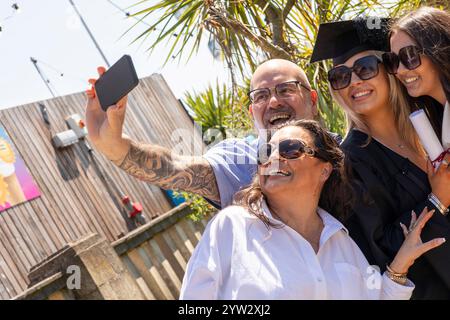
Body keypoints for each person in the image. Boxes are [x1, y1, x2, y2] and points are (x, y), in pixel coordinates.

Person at [180, 119, 444, 299]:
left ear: (325, 169)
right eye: (264, 152)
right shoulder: (232, 227)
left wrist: (399, 266)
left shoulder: (340, 239)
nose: (273, 159)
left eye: (290, 149)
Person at [310, 16, 450, 299]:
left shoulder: (433, 118)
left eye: (365, 68)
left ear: (389, 69)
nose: (354, 81)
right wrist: (437, 201)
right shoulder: (349, 165)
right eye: (340, 76)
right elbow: (378, 250)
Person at [85, 59, 323, 209]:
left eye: (286, 89)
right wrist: (113, 145)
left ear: (312, 100)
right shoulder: (239, 160)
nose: (272, 102)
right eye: (260, 96)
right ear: (252, 111)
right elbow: (173, 165)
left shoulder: (346, 151)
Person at [383, 6, 450, 150]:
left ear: (437, 51)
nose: (399, 70)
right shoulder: (440, 116)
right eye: (393, 60)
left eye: (409, 56)